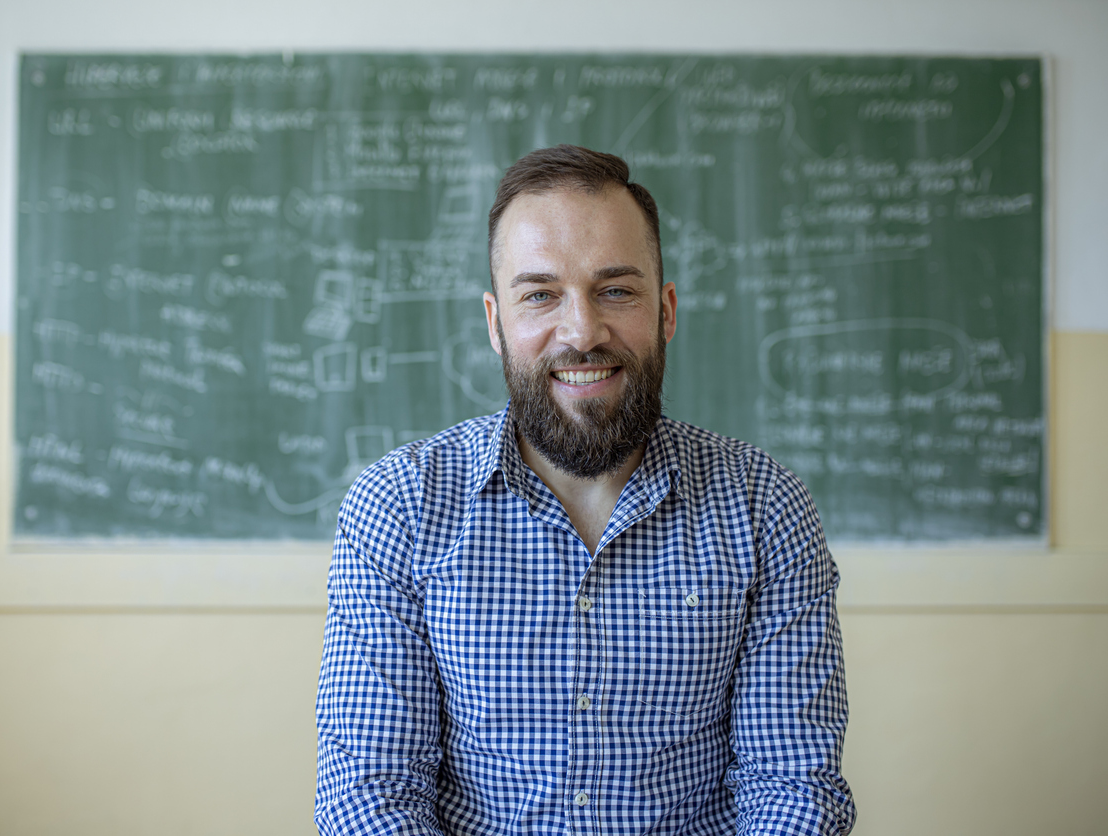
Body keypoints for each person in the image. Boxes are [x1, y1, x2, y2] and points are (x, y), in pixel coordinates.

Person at [315, 145, 856, 835]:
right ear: (495, 323)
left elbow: (793, 789)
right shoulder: (401, 505)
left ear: (665, 311)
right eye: (540, 294)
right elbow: (370, 796)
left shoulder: (764, 507)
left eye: (616, 290)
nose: (581, 331)